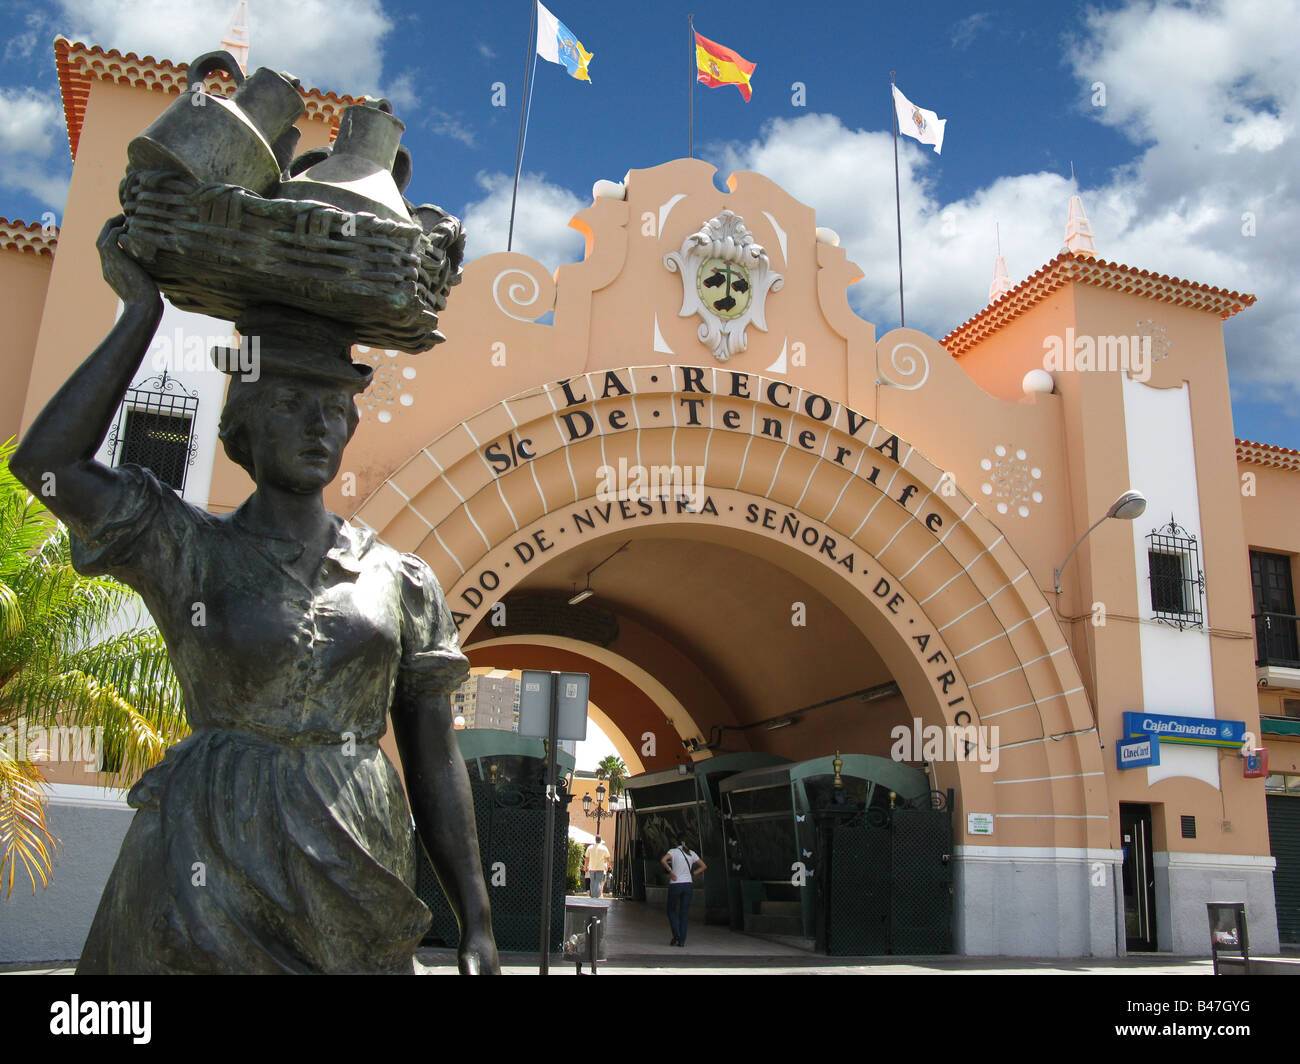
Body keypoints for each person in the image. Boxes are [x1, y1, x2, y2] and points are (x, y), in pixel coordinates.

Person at [11, 217, 500, 975]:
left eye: (335, 409)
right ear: (238, 424)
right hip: (206, 852)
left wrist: (478, 922)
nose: (317, 425)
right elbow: (45, 463)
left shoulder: (400, 579)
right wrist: (143, 316)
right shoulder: (186, 547)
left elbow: (434, 757)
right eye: (288, 403)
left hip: (354, 854)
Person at [660, 837, 706, 947]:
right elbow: (704, 866)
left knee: (671, 910)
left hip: (675, 884)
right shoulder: (692, 853)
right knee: (684, 913)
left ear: (676, 842)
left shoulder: (673, 852)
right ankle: (682, 941)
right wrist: (693, 873)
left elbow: (663, 860)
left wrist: (671, 872)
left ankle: (676, 934)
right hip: (688, 885)